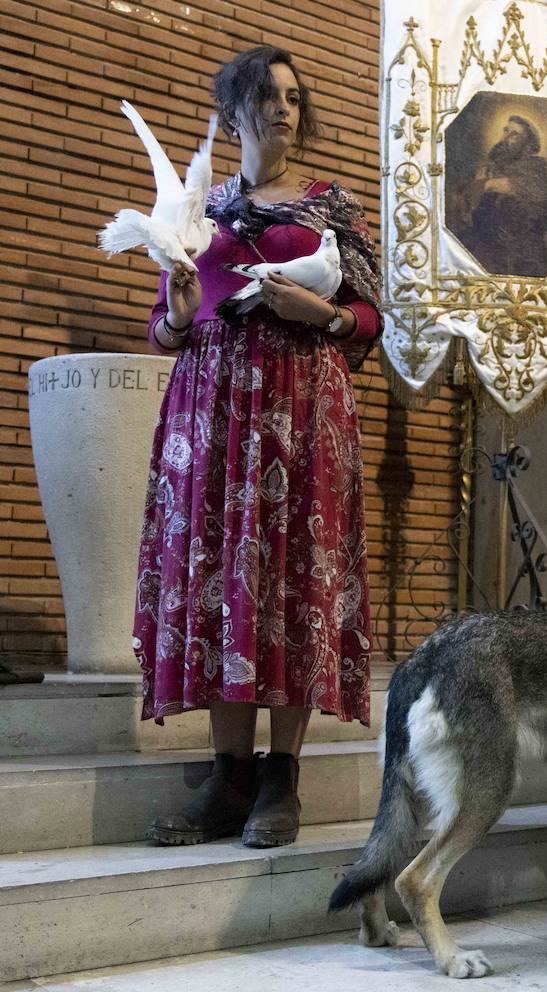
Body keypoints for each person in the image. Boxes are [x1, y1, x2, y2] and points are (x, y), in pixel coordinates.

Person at [132, 46, 380, 848]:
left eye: (294, 98)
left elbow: (371, 315)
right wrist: (173, 314)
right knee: (217, 578)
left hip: (302, 401)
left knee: (294, 575)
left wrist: (327, 318)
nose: (284, 109)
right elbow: (170, 322)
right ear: (233, 109)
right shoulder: (199, 207)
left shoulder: (326, 204)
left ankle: (282, 779)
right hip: (211, 407)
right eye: (268, 96)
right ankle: (229, 777)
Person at [449, 114, 547, 277]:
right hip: (487, 249)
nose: (506, 137)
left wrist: (485, 185)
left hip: (523, 255)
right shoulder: (489, 166)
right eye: (506, 130)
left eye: (515, 134)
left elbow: (537, 192)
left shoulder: (535, 166)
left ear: (527, 143)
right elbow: (463, 199)